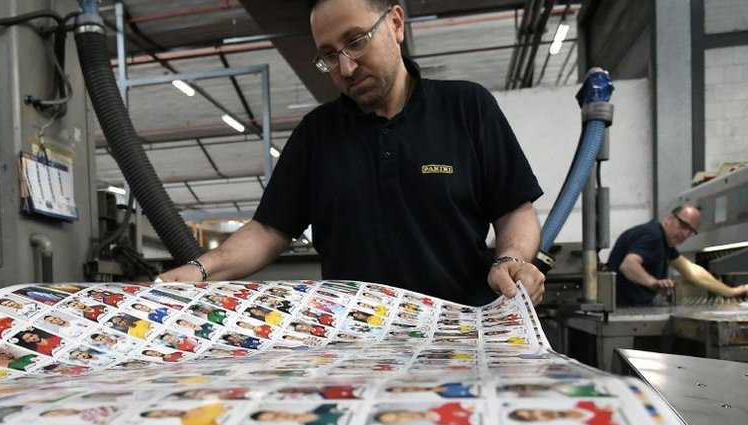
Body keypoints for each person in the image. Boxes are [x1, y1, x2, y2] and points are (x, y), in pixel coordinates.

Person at [158, 0, 545, 306]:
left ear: (395, 24)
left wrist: (511, 259)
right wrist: (200, 269)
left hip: (461, 330)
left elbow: (514, 209)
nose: (345, 66)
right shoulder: (316, 134)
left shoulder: (466, 107)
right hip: (356, 342)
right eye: (328, 55)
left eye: (356, 41)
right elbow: (269, 230)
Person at [606, 204, 748, 306]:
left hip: (628, 307)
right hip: (622, 309)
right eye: (683, 225)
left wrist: (730, 291)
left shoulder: (664, 242)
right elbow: (628, 265)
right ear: (669, 219)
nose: (685, 234)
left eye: (691, 231)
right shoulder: (652, 235)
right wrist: (653, 283)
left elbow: (692, 271)